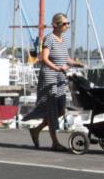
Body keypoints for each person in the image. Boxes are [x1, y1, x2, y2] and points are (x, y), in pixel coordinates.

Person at [25, 13, 84, 151]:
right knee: (52, 110)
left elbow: (67, 59)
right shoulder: (49, 39)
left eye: (68, 23)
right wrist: (57, 68)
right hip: (50, 77)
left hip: (60, 79)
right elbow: (44, 59)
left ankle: (36, 130)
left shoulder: (62, 40)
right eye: (64, 23)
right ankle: (55, 143)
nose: (67, 26)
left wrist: (78, 64)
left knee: (61, 110)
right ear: (56, 25)